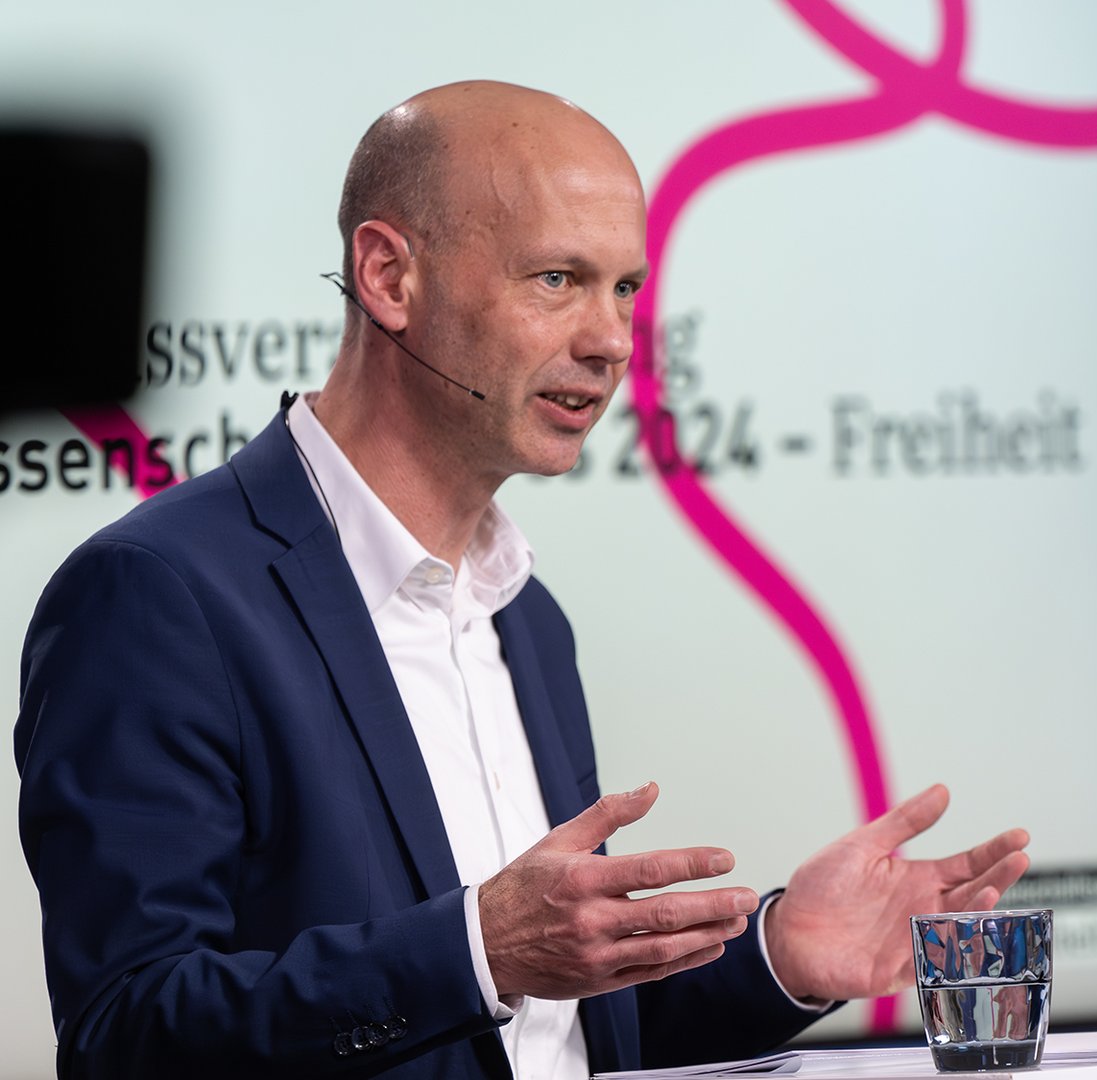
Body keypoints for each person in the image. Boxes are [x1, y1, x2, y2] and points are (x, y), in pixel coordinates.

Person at [15, 81, 1029, 1079]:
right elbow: (125, 1037)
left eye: (625, 288)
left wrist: (781, 956)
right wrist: (474, 952)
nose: (608, 341)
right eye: (556, 279)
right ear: (388, 276)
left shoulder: (524, 617)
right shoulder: (157, 597)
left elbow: (556, 1032)